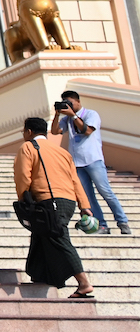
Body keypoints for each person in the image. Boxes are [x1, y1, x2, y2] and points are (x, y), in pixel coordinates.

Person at [15, 116, 96, 297]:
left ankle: (83, 282)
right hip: (68, 201)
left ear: (29, 132)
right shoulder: (62, 152)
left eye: (24, 131)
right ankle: (39, 275)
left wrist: (22, 199)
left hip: (48, 200)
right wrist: (84, 205)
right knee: (41, 235)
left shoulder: (28, 147)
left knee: (58, 238)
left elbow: (23, 176)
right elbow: (75, 180)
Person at [53, 90, 130, 235]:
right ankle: (102, 225)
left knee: (105, 192)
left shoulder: (91, 114)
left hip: (93, 159)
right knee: (88, 197)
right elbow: (55, 131)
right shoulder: (67, 119)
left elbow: (87, 130)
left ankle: (122, 221)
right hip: (77, 163)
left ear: (78, 101)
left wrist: (73, 115)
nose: (68, 105)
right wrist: (58, 114)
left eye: (70, 102)